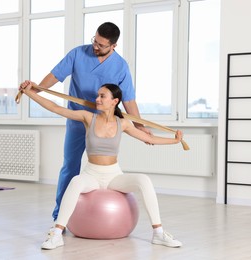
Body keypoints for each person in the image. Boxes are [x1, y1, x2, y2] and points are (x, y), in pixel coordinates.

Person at [19, 81, 183, 249]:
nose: (97, 99)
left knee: (144, 180)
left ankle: (159, 233)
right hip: (92, 175)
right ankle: (57, 234)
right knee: (75, 182)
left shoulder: (123, 123)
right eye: (97, 95)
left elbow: (149, 139)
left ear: (115, 101)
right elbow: (56, 108)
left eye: (102, 96)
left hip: (114, 176)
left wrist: (175, 141)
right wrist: (29, 93)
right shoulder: (88, 117)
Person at [20, 22, 151, 222]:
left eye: (101, 45)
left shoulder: (121, 66)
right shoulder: (78, 54)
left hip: (104, 124)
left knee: (104, 167)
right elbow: (55, 76)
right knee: (70, 165)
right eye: (94, 41)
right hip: (78, 120)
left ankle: (98, 214)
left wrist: (141, 129)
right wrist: (34, 90)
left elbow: (129, 100)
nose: (95, 46)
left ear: (113, 46)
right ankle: (60, 216)